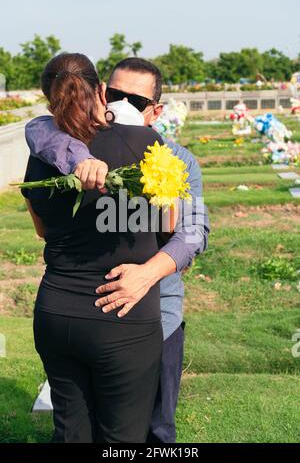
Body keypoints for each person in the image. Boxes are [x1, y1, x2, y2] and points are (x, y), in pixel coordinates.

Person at [25, 57, 210, 443]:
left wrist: (146, 274)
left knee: (155, 431)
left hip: (156, 310)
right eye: (118, 94)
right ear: (102, 92)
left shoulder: (173, 160)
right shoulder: (63, 145)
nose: (123, 105)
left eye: (136, 101)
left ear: (156, 111)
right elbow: (41, 129)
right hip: (118, 326)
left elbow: (192, 233)